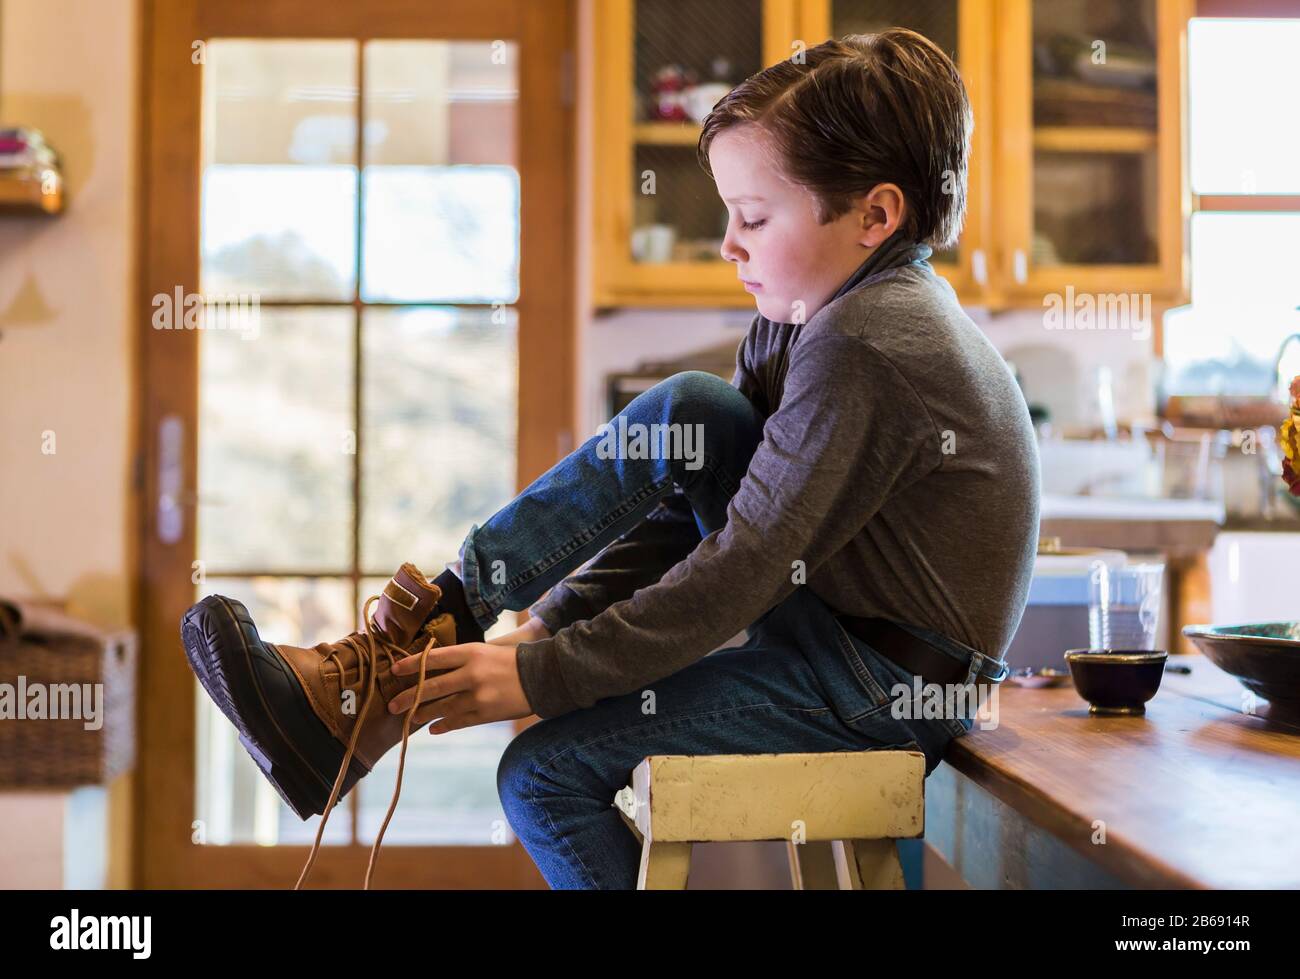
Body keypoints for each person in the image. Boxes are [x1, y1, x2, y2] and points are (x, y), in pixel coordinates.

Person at [181, 28, 1040, 890]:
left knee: (540, 772)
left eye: (753, 216)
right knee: (693, 413)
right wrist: (548, 625)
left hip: (882, 688)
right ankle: (431, 629)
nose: (728, 245)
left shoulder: (867, 342)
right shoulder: (803, 320)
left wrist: (537, 675)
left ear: (875, 216)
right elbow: (684, 526)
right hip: (830, 638)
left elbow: (742, 568)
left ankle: (371, 698)